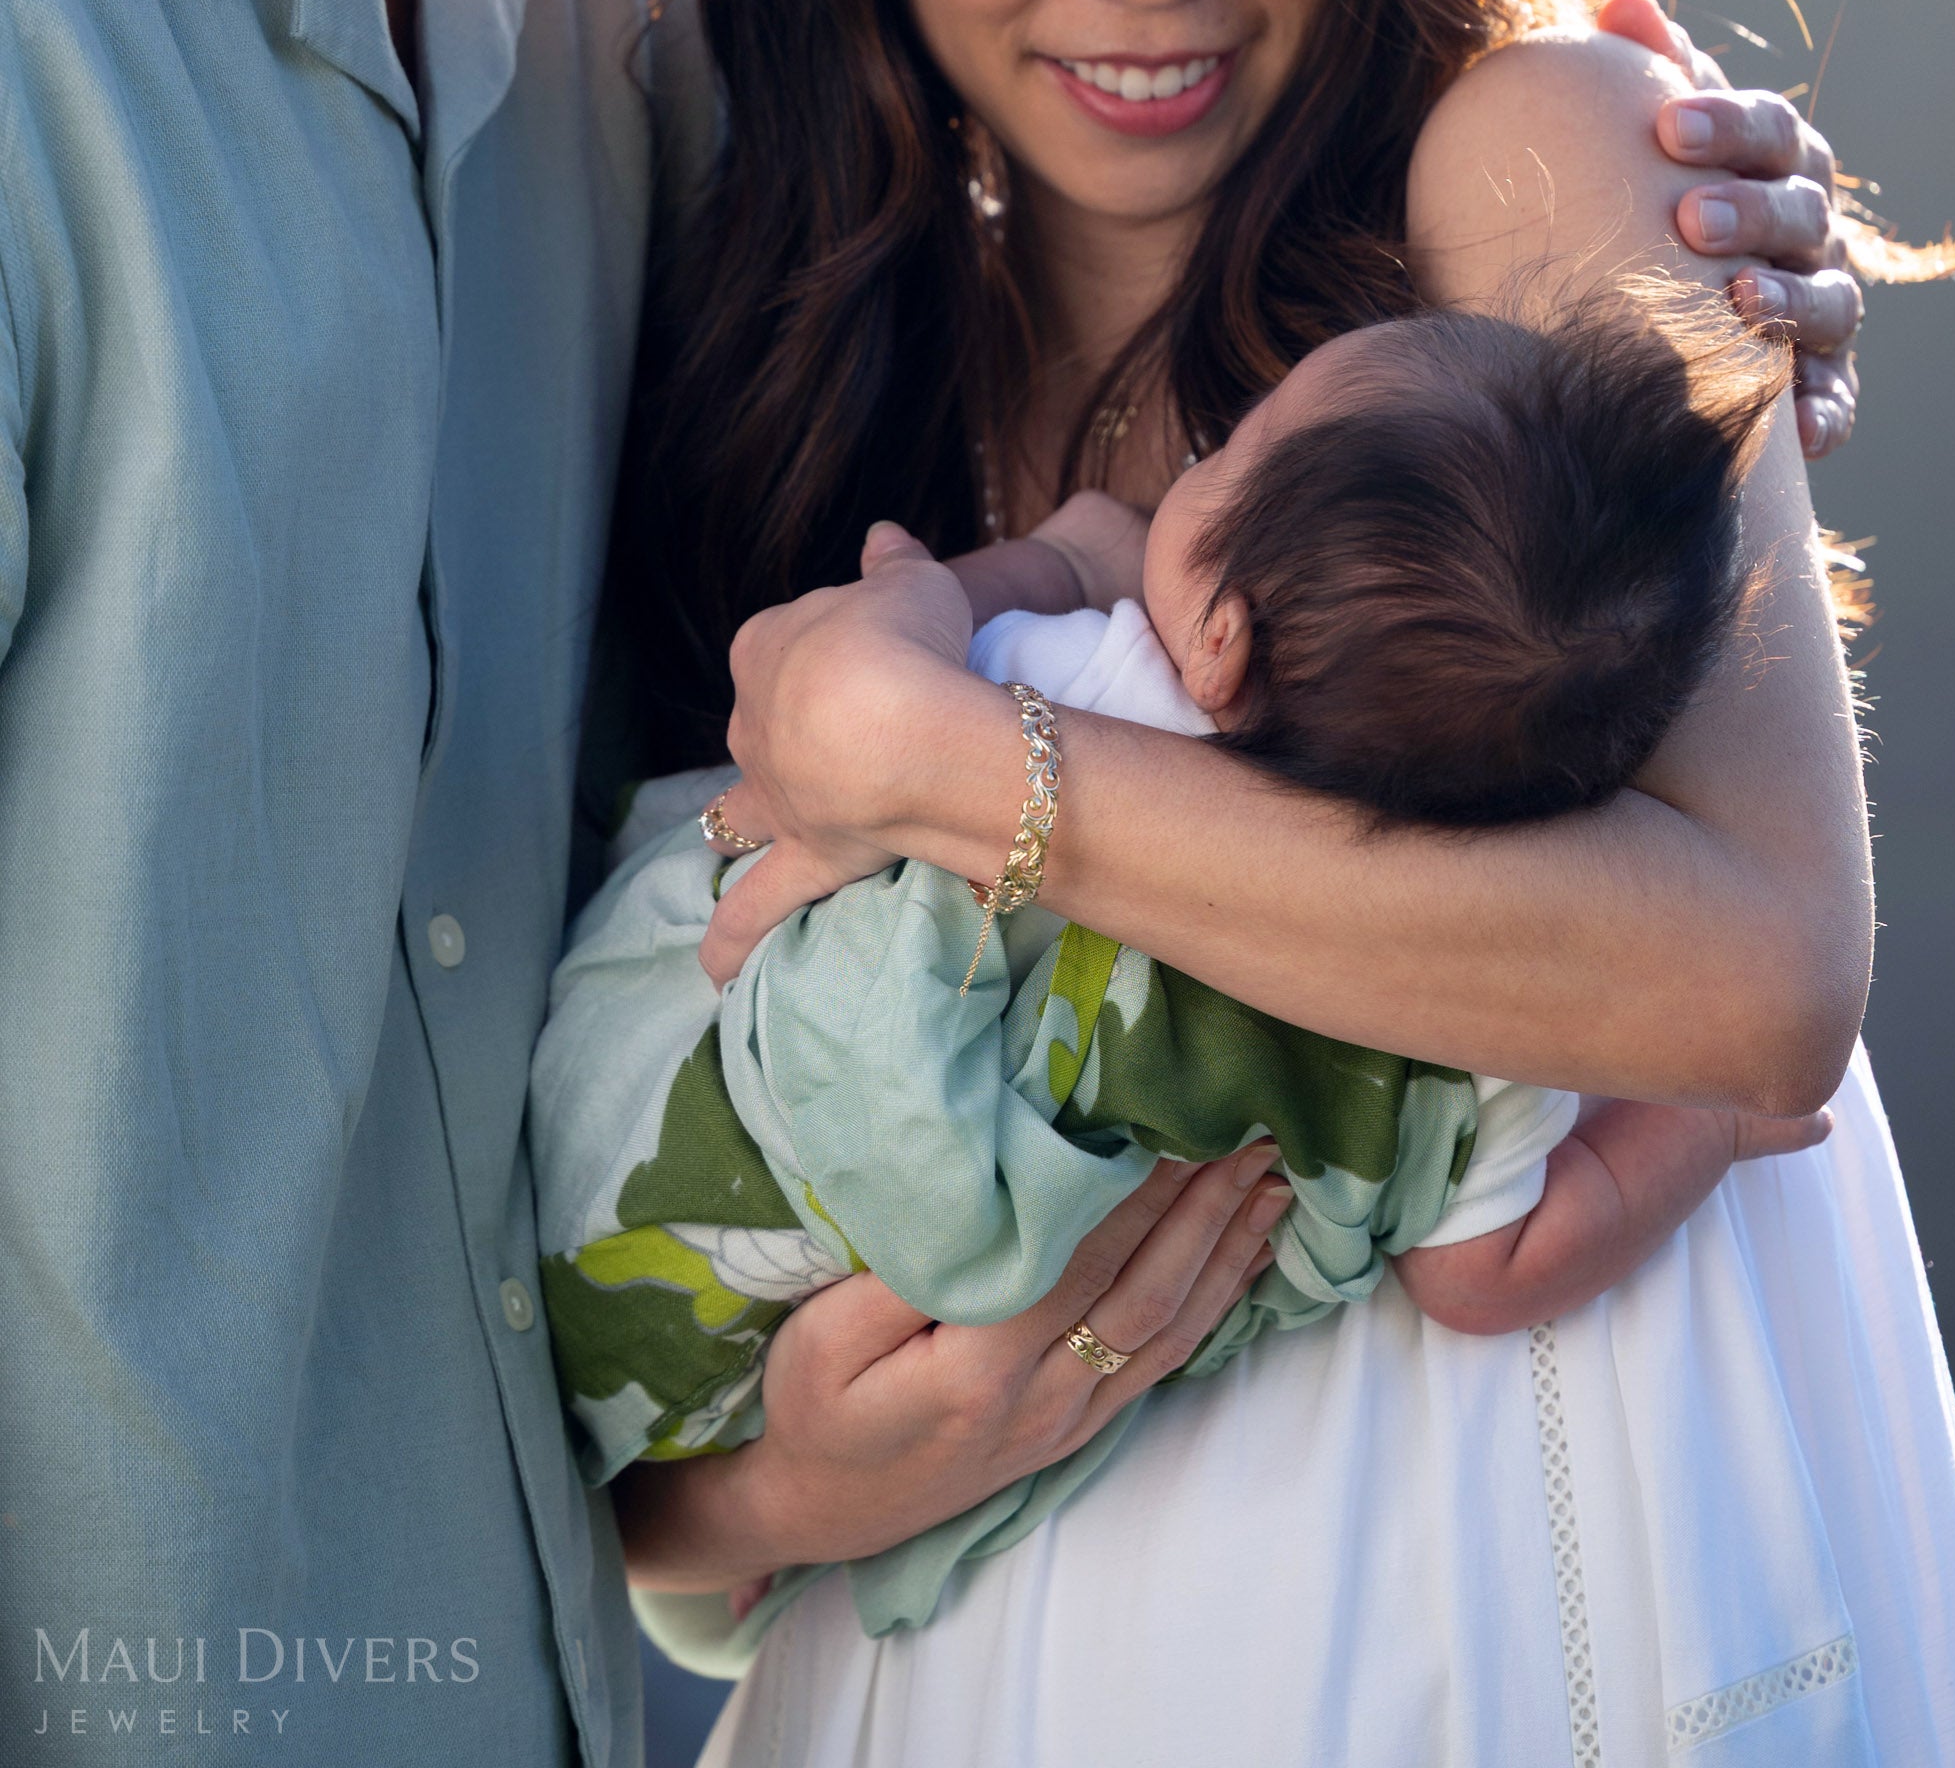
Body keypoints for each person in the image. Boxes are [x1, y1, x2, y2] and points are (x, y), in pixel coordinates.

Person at [601, 0, 1955, 1762]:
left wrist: (959, 769)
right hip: (976, 1626)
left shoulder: (1532, 156)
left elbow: (1767, 975)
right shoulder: (812, 362)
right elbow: (630, 1204)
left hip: (1537, 1542)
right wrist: (770, 1499)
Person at [528, 284, 1827, 1658]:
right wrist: (1710, 1121)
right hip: (871, 1382)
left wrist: (1011, 566)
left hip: (710, 1173)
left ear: (1219, 641)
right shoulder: (1496, 1005)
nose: (1186, 471)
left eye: (1225, 457)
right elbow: (1484, 1274)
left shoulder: (1068, 686)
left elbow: (853, 689)